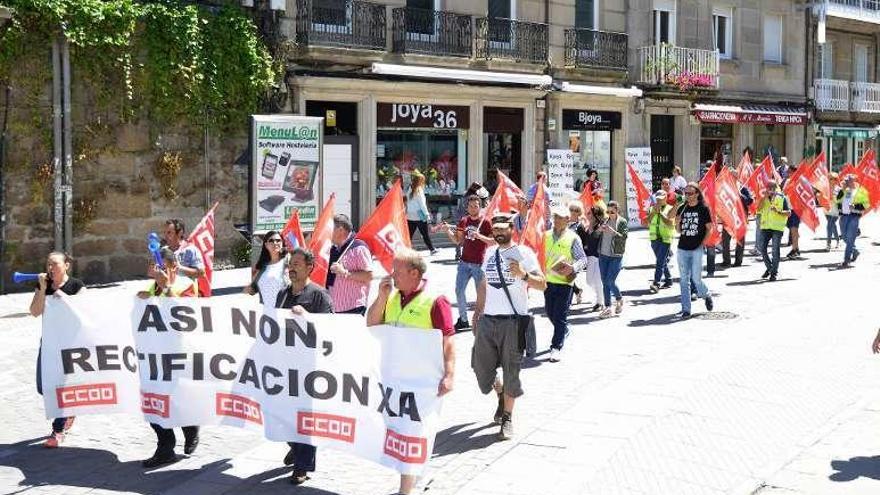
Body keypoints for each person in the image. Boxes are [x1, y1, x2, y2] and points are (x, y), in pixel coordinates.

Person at [366, 249, 455, 495]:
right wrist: (382, 297)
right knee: (402, 431)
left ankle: (406, 489)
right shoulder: (393, 296)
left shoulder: (435, 300)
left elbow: (447, 339)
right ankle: (418, 476)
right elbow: (372, 325)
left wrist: (449, 374)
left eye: (396, 270)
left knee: (415, 431)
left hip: (423, 382)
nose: (391, 274)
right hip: (395, 379)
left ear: (414, 273)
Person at [473, 215, 546, 439]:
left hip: (513, 322)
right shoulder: (489, 253)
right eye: (495, 229)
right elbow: (485, 284)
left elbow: (542, 284)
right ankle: (501, 393)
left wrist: (523, 274)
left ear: (511, 229)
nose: (498, 233)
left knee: (511, 371)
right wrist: (477, 312)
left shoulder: (524, 253)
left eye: (502, 229)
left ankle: (507, 418)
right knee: (480, 368)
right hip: (488, 320)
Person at [137, 247, 200, 468]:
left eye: (161, 266)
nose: (156, 270)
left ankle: (190, 427)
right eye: (155, 266)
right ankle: (165, 448)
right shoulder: (151, 286)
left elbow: (182, 314)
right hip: (155, 355)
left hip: (180, 354)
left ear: (173, 266)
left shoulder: (187, 285)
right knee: (153, 402)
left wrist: (166, 286)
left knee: (178, 401)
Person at [275, 248, 334, 485]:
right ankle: (296, 446)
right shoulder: (281, 294)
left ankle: (302, 465)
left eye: (298, 263)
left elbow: (331, 331)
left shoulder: (319, 296)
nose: (292, 267)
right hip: (284, 367)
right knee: (281, 415)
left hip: (310, 368)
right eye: (290, 263)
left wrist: (308, 317)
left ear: (310, 267)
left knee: (304, 418)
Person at [29, 251, 85, 448]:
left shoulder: (76, 286)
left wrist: (57, 291)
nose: (50, 268)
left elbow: (81, 313)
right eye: (48, 264)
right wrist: (43, 289)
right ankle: (68, 412)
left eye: (54, 264)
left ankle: (58, 429)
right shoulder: (42, 285)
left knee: (62, 387)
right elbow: (35, 312)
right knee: (42, 386)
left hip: (70, 344)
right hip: (49, 343)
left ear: (66, 265)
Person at [544, 205, 587, 361]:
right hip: (548, 281)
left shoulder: (573, 237)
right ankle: (563, 330)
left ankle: (556, 347)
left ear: (567, 220)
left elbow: (583, 259)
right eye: (555, 217)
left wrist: (573, 267)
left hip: (565, 283)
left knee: (560, 315)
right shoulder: (546, 235)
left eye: (560, 217)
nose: (556, 220)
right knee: (550, 312)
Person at [445, 195, 494, 331]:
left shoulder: (486, 222)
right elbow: (458, 241)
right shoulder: (464, 221)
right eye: (471, 206)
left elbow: (493, 242)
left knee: (481, 294)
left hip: (480, 263)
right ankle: (463, 319)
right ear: (467, 207)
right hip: (464, 263)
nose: (473, 208)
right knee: (459, 290)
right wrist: (448, 232)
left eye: (476, 206)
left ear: (480, 206)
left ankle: (481, 319)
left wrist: (479, 236)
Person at [675, 183, 715, 319]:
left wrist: (703, 243)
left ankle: (706, 294)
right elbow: (679, 231)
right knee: (683, 279)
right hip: (682, 248)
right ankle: (686, 309)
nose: (687, 196)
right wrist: (677, 222)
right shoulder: (682, 208)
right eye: (685, 193)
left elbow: (710, 228)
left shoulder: (703, 208)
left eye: (690, 193)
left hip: (696, 248)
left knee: (696, 279)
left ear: (697, 193)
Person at [327, 214, 373, 315]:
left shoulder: (359, 248)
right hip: (334, 308)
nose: (327, 233)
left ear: (340, 230)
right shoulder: (334, 250)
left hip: (353, 307)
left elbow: (369, 276)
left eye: (329, 229)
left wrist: (344, 272)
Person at [597, 201, 628, 319]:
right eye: (608, 212)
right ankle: (608, 307)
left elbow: (624, 237)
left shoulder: (622, 222)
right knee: (604, 282)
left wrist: (613, 232)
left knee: (610, 281)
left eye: (612, 212)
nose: (610, 214)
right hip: (603, 255)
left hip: (616, 255)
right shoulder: (605, 221)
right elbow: (595, 235)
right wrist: (599, 230)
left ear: (617, 211)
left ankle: (619, 298)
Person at [243, 230, 289, 310]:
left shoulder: (288, 260)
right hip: (266, 311)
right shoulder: (263, 265)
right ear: (266, 245)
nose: (275, 243)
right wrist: (249, 289)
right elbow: (253, 289)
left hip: (284, 309)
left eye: (278, 240)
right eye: (271, 241)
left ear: (282, 243)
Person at [756, 180, 790, 281]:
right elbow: (758, 209)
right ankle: (770, 268)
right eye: (768, 187)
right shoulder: (764, 198)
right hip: (765, 227)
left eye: (772, 188)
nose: (770, 190)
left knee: (775, 251)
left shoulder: (781, 198)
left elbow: (788, 213)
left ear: (776, 188)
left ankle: (773, 273)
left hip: (777, 228)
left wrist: (778, 211)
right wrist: (763, 198)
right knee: (762, 249)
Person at [837, 174, 870, 268]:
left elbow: (866, 205)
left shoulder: (861, 191)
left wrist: (855, 206)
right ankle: (855, 251)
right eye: (846, 180)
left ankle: (846, 260)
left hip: (854, 217)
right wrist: (841, 190)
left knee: (850, 238)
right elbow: (837, 201)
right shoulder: (844, 190)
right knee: (844, 237)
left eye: (848, 180)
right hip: (843, 216)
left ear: (854, 181)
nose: (846, 182)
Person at [161, 218, 205, 283]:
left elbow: (201, 273)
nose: (165, 236)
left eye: (169, 232)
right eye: (164, 232)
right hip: (167, 287)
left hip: (185, 289)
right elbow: (152, 273)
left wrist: (180, 268)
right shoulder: (163, 250)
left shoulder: (191, 250)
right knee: (142, 293)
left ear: (179, 233)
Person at [648, 191, 675, 293]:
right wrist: (653, 212)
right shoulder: (652, 208)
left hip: (666, 239)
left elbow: (670, 223)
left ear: (666, 198)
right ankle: (669, 280)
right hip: (654, 239)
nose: (659, 200)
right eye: (658, 198)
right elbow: (647, 222)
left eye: (661, 198)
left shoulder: (670, 209)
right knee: (662, 261)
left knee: (659, 261)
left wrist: (661, 214)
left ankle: (656, 283)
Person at [720, 186, 754, 267]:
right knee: (725, 240)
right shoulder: (725, 188)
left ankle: (738, 261)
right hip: (728, 218)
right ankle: (726, 261)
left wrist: (740, 195)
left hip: (740, 219)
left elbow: (750, 201)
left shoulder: (743, 188)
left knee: (740, 240)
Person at [406, 172, 437, 255]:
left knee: (409, 234)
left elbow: (408, 202)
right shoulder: (419, 190)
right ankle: (432, 249)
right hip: (419, 216)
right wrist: (427, 215)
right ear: (420, 181)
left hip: (410, 215)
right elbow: (422, 205)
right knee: (425, 234)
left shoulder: (410, 188)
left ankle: (405, 249)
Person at [783, 163, 802, 259]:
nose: (788, 173)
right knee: (792, 229)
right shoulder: (788, 181)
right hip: (789, 208)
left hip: (796, 209)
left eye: (789, 172)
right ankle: (796, 248)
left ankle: (795, 249)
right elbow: (784, 192)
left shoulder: (800, 182)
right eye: (788, 172)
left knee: (794, 230)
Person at [825, 172, 841, 251]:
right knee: (833, 226)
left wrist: (834, 198)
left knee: (829, 226)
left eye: (833, 179)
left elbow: (841, 200)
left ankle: (828, 244)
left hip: (835, 211)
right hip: (827, 210)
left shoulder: (839, 189)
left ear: (836, 180)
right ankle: (838, 240)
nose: (831, 180)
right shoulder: (825, 188)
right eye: (830, 178)